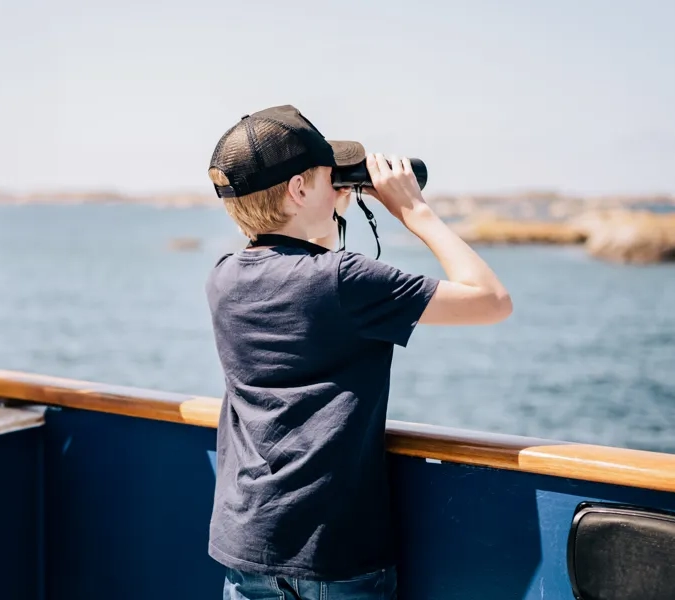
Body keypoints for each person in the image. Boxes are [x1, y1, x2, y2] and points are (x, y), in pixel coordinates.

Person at [204, 105, 512, 600]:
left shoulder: (223, 277)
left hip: (249, 546)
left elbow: (291, 260)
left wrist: (322, 205)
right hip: (333, 554)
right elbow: (492, 300)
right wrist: (414, 210)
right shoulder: (345, 281)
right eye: (332, 178)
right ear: (299, 190)